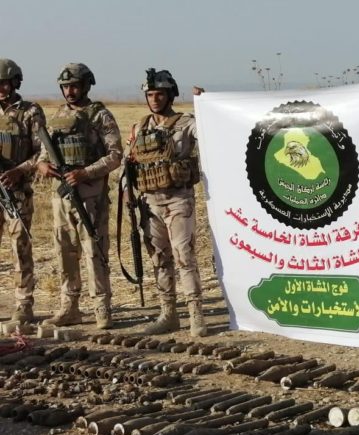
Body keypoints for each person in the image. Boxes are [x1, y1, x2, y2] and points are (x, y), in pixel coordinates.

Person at [36, 63, 123, 329]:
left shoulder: (100, 115)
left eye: (74, 86)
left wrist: (85, 173)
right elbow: (44, 153)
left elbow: (115, 155)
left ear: (86, 86)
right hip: (61, 197)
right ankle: (69, 307)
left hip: (90, 196)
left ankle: (101, 307)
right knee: (65, 251)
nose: (69, 92)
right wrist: (42, 165)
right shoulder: (57, 116)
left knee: (94, 251)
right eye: (65, 87)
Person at [124, 69, 207, 337]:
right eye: (150, 95)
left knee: (184, 256)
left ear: (170, 95)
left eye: (160, 94)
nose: (154, 99)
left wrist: (204, 105)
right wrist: (126, 191)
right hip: (150, 202)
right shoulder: (140, 127)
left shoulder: (186, 123)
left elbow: (210, 131)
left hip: (178, 199)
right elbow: (129, 165)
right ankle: (168, 314)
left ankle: (195, 314)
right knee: (159, 259)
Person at [0, 58, 45, 324]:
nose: (1, 88)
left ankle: (24, 304)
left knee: (20, 248)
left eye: (4, 83)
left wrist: (19, 170)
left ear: (16, 82)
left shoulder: (30, 112)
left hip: (16, 193)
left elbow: (42, 152)